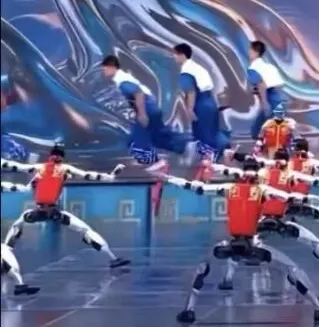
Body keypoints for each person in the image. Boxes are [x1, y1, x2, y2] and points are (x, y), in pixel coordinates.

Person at [163, 156, 319, 324]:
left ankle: (188, 310)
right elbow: (288, 198)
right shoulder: (262, 190)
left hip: (231, 244)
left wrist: (169, 178)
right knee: (292, 268)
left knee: (203, 267)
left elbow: (197, 187)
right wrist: (313, 198)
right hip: (253, 245)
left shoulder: (229, 188)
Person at [1, 145, 129, 269]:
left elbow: (17, 167)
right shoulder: (64, 169)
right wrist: (109, 177)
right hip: (54, 212)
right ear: (62, 157)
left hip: (39, 211)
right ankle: (112, 258)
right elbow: (88, 175)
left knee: (17, 225)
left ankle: (5, 257)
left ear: (50, 156)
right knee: (85, 230)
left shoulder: (40, 169)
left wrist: (3, 166)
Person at [101, 55, 189, 173]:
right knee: (158, 137)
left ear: (112, 67)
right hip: (152, 109)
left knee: (136, 141)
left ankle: (158, 162)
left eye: (105, 69)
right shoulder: (124, 78)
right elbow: (143, 94)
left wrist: (142, 114)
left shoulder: (122, 80)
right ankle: (187, 144)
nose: (103, 72)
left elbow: (139, 93)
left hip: (147, 110)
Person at [173, 43, 230, 180]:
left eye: (175, 54)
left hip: (200, 104)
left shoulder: (187, 71)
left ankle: (208, 171)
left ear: (182, 55)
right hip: (210, 102)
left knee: (204, 137)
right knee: (212, 133)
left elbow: (191, 91)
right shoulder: (198, 68)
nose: (173, 56)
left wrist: (189, 109)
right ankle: (225, 154)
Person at [247, 41, 288, 141]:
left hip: (270, 100)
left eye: (250, 50)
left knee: (257, 131)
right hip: (280, 99)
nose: (248, 52)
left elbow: (261, 84)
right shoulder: (270, 67)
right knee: (277, 130)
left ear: (255, 52)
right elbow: (280, 84)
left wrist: (265, 103)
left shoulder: (253, 68)